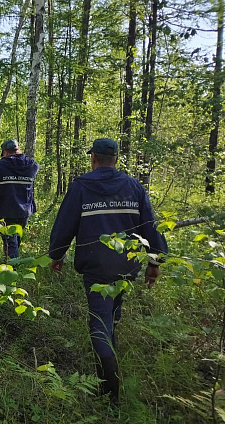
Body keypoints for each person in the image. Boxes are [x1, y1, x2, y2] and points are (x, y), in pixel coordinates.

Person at [48, 137, 168, 403]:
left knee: (99, 323)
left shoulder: (81, 187)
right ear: (115, 159)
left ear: (93, 158)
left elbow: (65, 224)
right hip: (127, 265)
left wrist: (56, 256)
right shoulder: (133, 186)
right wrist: (154, 263)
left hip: (97, 266)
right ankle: (110, 362)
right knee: (111, 313)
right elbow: (151, 225)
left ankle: (110, 390)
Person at [0, 139, 39, 259]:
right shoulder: (32, 166)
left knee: (10, 242)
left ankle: (12, 270)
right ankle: (13, 265)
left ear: (5, 152)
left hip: (5, 210)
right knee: (15, 239)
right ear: (18, 149)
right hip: (25, 210)